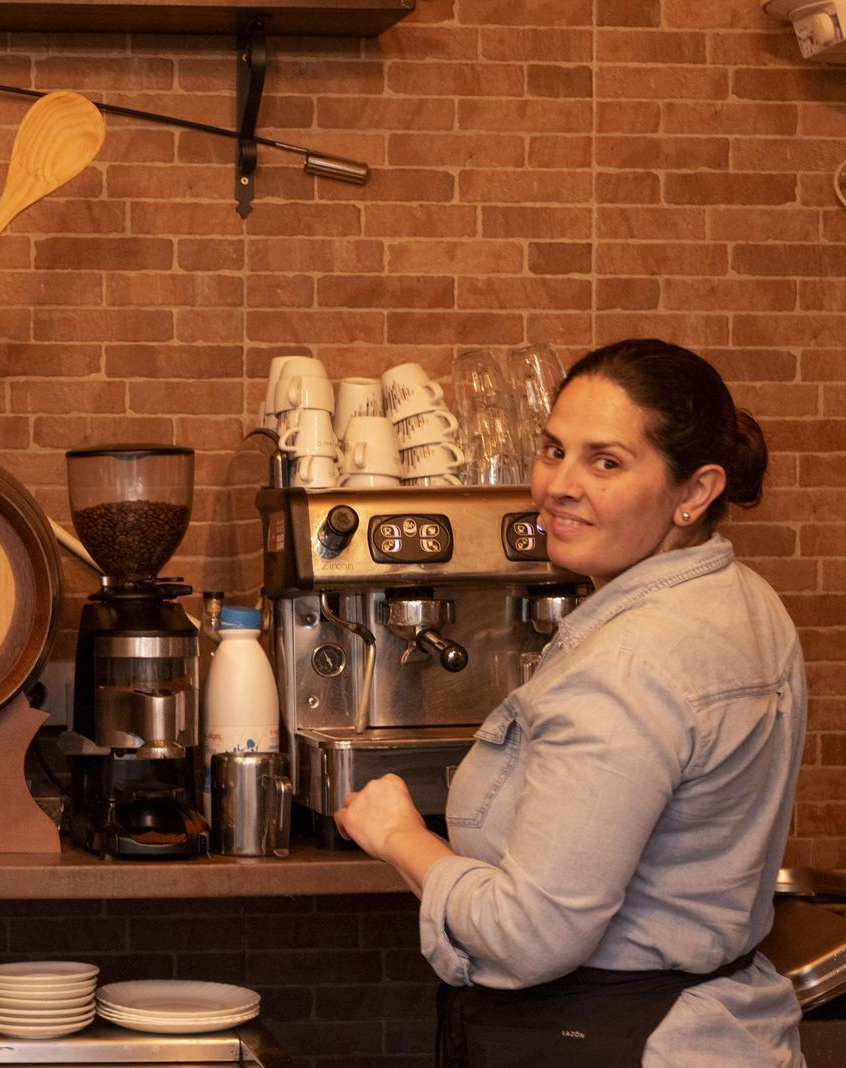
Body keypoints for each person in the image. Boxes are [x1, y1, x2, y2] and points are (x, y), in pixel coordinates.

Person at [335, 339, 806, 1067]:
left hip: (620, 1040)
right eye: (553, 450)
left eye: (606, 461)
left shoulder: (628, 662)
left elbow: (529, 934)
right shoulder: (745, 600)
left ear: (695, 491)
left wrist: (398, 835)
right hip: (720, 1028)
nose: (558, 484)